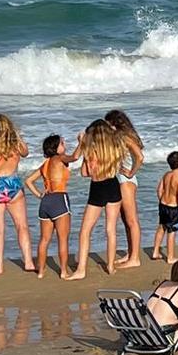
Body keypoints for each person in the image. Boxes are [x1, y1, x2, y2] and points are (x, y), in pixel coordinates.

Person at [66, 118, 127, 280]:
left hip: (98, 188)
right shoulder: (114, 148)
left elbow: (85, 173)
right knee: (111, 229)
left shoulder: (91, 151)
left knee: (85, 231)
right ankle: (111, 266)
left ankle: (81, 270)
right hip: (113, 185)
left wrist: (82, 145)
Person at [0, 112, 36, 276]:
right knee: (22, 226)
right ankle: (28, 261)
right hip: (14, 186)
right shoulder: (17, 146)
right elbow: (26, 153)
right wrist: (16, 136)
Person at [25, 134, 73, 278]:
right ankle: (63, 271)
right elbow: (75, 157)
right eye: (62, 144)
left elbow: (28, 181)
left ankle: (41, 271)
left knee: (44, 239)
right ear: (55, 148)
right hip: (59, 199)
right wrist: (82, 143)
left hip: (45, 202)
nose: (64, 146)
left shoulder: (45, 164)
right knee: (62, 239)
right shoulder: (60, 158)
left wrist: (40, 195)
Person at [103, 109, 146, 269]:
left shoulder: (124, 136)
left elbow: (140, 156)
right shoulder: (120, 137)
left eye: (108, 123)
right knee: (126, 220)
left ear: (114, 123)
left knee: (131, 219)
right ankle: (131, 253)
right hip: (121, 179)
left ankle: (135, 258)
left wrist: (131, 171)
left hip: (126, 181)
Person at [151, 151, 178, 262]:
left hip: (163, 205)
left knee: (161, 227)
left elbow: (159, 190)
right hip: (173, 209)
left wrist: (162, 200)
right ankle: (170, 257)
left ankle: (155, 251)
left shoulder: (166, 174)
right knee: (172, 232)